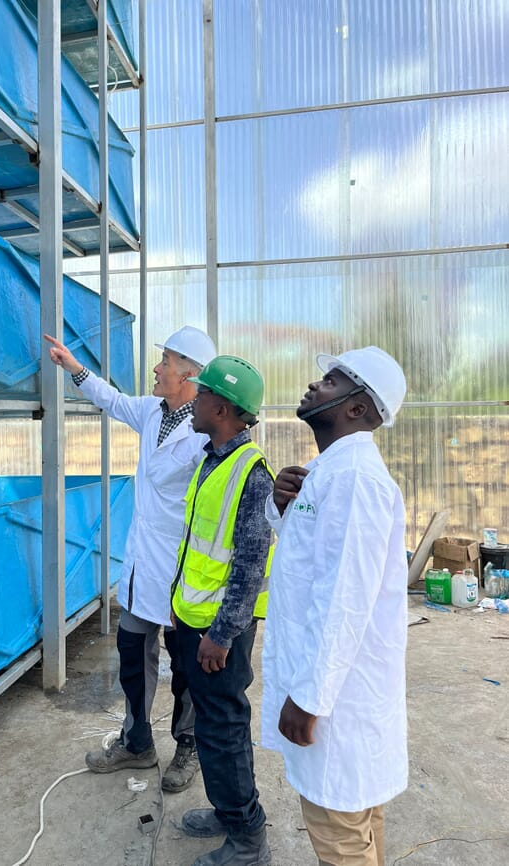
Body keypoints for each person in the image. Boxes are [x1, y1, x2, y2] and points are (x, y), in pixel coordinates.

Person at [44, 326, 216, 793]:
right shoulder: (150, 410)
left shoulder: (206, 430)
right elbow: (112, 399)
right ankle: (137, 741)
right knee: (133, 655)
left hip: (184, 566)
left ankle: (188, 745)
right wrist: (74, 368)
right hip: (143, 562)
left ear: (190, 374)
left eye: (165, 362)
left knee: (186, 666)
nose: (156, 369)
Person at [261, 346, 408, 866]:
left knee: (341, 836)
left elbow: (345, 598)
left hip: (337, 704)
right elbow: (307, 560)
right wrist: (280, 508)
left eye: (330, 381)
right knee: (358, 823)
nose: (313, 386)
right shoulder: (328, 471)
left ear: (356, 407)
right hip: (335, 695)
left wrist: (310, 697)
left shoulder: (354, 480)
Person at [170, 355, 275, 866]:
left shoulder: (252, 474)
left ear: (224, 407)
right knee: (212, 723)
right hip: (194, 620)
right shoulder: (213, 458)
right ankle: (227, 809)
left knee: (224, 725)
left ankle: (247, 834)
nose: (194, 398)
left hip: (219, 632)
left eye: (202, 392)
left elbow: (251, 565)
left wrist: (222, 632)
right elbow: (198, 546)